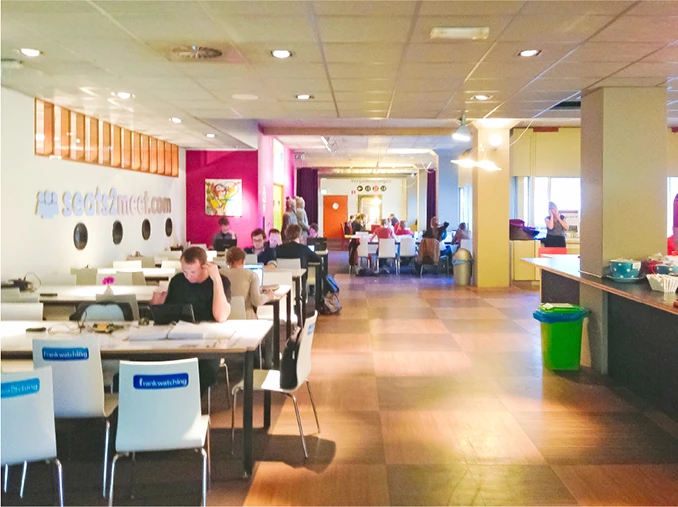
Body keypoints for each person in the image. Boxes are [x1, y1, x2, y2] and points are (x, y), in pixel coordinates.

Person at [164, 246, 231, 394]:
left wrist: (216, 280)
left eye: (193, 272)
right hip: (179, 339)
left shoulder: (221, 281)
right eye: (184, 271)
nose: (188, 276)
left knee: (203, 372)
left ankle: (190, 404)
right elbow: (168, 312)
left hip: (209, 342)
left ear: (204, 266)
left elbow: (221, 316)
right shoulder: (177, 281)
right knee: (163, 366)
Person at [222, 247, 273, 319]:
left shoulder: (218, 274)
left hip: (223, 317)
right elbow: (257, 301)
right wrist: (268, 296)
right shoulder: (251, 275)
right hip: (246, 319)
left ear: (227, 261)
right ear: (242, 261)